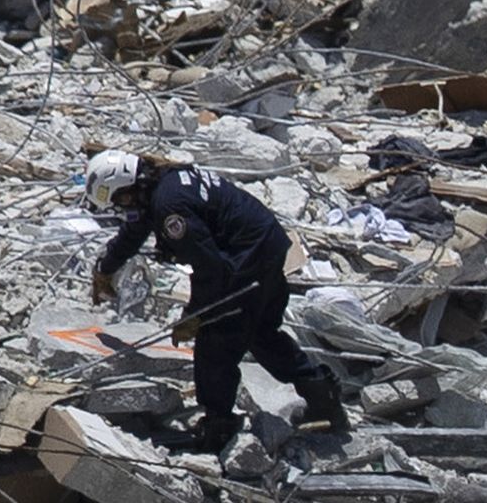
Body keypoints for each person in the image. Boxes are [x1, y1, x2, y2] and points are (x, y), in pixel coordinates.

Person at [85, 149, 347, 452]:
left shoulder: (169, 207)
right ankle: (324, 398)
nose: (123, 208)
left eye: (121, 201)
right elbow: (135, 228)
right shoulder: (162, 183)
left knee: (215, 343)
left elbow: (211, 270)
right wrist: (106, 267)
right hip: (265, 247)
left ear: (131, 188)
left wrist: (194, 317)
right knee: (260, 334)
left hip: (247, 259)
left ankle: (218, 428)